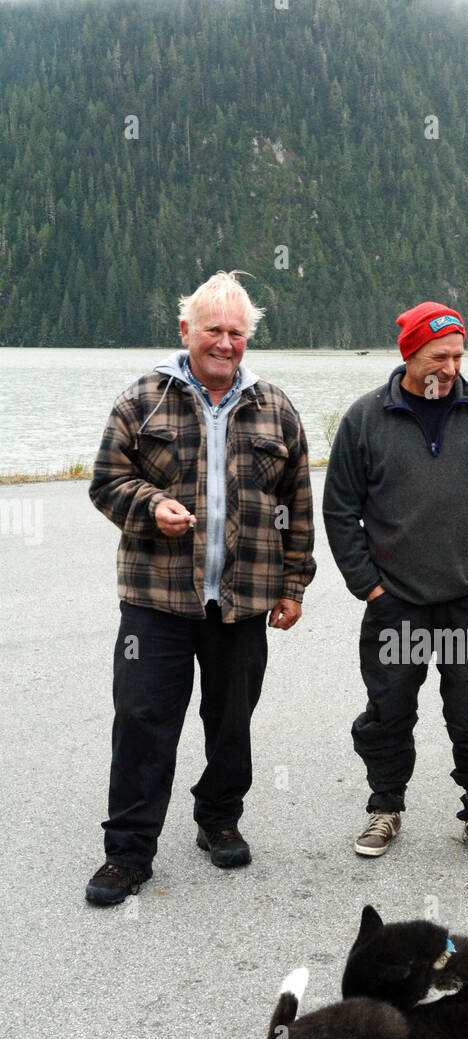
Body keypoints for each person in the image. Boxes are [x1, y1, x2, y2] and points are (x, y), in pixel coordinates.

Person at [86, 271, 315, 905]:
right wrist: (151, 504)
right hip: (155, 599)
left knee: (232, 719)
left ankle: (218, 819)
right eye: (212, 329)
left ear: (248, 339)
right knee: (142, 720)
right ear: (185, 330)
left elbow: (298, 503)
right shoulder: (143, 399)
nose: (224, 342)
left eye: (236, 332)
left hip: (242, 600)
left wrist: (294, 583)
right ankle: (128, 853)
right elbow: (105, 481)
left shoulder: (276, 407)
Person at [323, 301, 468, 861]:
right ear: (410, 355)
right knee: (389, 710)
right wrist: (369, 586)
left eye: (458, 354)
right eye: (439, 355)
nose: (451, 365)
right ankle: (384, 807)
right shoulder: (366, 419)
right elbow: (340, 510)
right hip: (398, 606)